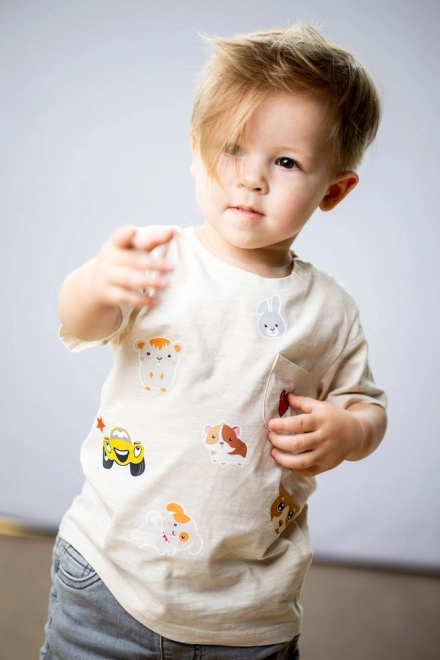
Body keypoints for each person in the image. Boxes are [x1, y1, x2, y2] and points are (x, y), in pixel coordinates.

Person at [40, 24, 387, 660]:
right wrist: (95, 284)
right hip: (111, 578)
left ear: (333, 190)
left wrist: (349, 431)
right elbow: (81, 323)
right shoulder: (158, 259)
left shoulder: (330, 310)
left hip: (249, 609)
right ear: (197, 152)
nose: (251, 179)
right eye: (232, 148)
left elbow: (367, 406)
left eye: (285, 162)